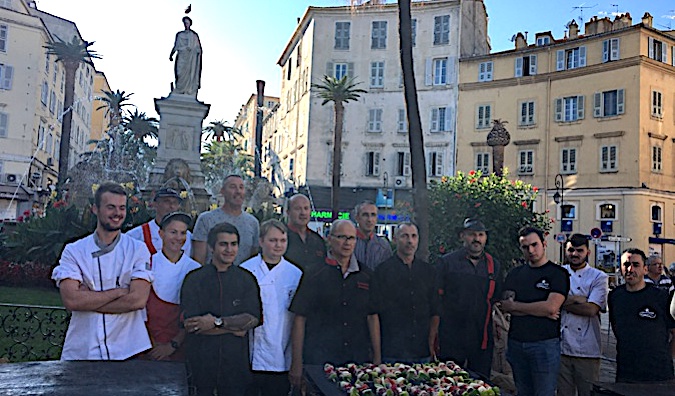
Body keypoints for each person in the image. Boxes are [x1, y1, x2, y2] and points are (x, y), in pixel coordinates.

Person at [51, 182, 153, 360]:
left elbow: (137, 300)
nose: (117, 213)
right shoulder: (74, 250)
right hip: (82, 349)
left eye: (122, 208)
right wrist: (120, 292)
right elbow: (72, 300)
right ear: (95, 209)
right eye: (110, 207)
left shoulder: (138, 249)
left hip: (128, 350)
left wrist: (89, 300)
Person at [289, 220, 381, 389]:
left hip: (356, 361)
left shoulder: (366, 275)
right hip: (320, 359)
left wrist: (377, 358)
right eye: (341, 237)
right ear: (329, 239)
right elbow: (299, 318)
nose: (347, 243)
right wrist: (296, 362)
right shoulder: (313, 274)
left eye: (351, 238)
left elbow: (372, 316)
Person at [181, 223, 262, 396]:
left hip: (235, 368)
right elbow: (192, 326)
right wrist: (233, 328)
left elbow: (252, 319)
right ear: (211, 247)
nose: (229, 249)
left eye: (233, 244)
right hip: (200, 366)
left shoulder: (246, 279)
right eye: (223, 244)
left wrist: (216, 322)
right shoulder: (194, 279)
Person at [500, 226, 570, 396]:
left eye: (534, 245)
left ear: (544, 244)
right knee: (522, 392)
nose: (531, 250)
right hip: (516, 343)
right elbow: (505, 306)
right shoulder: (514, 274)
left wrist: (517, 306)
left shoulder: (558, 274)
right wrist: (540, 309)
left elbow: (551, 307)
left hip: (544, 345)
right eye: (525, 247)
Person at [241, 220, 302, 396]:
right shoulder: (246, 270)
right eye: (273, 240)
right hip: (251, 354)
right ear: (261, 241)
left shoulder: (295, 274)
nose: (278, 245)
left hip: (282, 353)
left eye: (282, 241)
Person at [436, 218, 501, 377]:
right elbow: (436, 299)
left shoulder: (494, 266)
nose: (477, 239)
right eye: (472, 234)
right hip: (451, 338)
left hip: (481, 339)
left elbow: (497, 300)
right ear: (462, 236)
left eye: (481, 234)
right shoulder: (446, 263)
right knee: (448, 384)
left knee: (481, 386)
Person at [372, 222, 440, 364]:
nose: (410, 241)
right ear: (395, 239)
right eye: (405, 236)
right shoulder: (382, 272)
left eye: (414, 236)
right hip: (391, 352)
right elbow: (374, 314)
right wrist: (376, 355)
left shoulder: (429, 272)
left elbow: (435, 311)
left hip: (422, 352)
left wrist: (431, 345)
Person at [608, 248, 675, 383]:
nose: (630, 269)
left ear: (645, 269)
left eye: (636, 265)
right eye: (626, 265)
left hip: (659, 373)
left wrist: (668, 356)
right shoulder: (615, 296)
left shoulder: (661, 297)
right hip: (626, 372)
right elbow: (617, 328)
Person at [145, 211, 200, 361]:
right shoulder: (147, 264)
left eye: (183, 233)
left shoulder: (194, 269)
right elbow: (139, 311)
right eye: (173, 232)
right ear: (161, 234)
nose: (179, 238)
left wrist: (173, 345)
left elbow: (194, 313)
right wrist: (152, 345)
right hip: (148, 345)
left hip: (182, 346)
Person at [557, 234, 608, 396]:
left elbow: (591, 310)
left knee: (588, 393)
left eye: (580, 250)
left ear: (588, 252)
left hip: (587, 349)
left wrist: (561, 302)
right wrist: (578, 300)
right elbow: (547, 301)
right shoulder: (558, 273)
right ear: (565, 251)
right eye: (571, 250)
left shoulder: (599, 276)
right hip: (561, 347)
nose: (575, 254)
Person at [192, 174, 259, 266]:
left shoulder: (253, 223)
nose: (238, 191)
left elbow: (254, 259)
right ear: (222, 191)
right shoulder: (206, 219)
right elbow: (198, 261)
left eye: (241, 187)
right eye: (233, 187)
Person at [127, 188, 192, 257]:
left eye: (175, 203)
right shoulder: (136, 235)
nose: (172, 206)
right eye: (167, 201)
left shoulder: (187, 237)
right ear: (155, 204)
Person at [284, 194, 326, 270]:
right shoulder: (280, 237)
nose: (303, 213)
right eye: (298, 209)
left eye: (306, 208)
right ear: (288, 212)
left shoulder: (318, 240)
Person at [353, 201, 392, 271]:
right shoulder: (348, 243)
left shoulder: (383, 246)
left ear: (376, 219)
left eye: (373, 215)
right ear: (357, 218)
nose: (369, 220)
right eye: (365, 215)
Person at [169, 16, 202, 96]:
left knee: (189, 74)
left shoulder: (194, 36)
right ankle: (179, 89)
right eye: (185, 23)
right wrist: (171, 54)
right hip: (181, 56)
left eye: (187, 23)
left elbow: (198, 49)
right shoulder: (180, 35)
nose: (186, 24)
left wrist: (196, 50)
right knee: (179, 73)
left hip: (190, 58)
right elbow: (176, 46)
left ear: (190, 24)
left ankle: (188, 90)